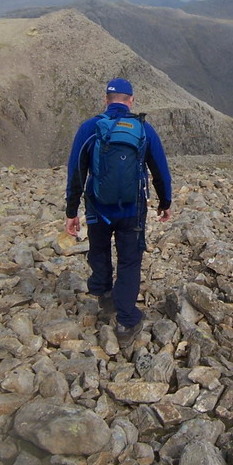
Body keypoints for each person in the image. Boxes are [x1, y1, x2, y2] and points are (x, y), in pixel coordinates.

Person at [65, 78, 172, 347]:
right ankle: (126, 320)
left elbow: (76, 171)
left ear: (106, 99)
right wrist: (164, 202)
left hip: (97, 208)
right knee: (129, 260)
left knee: (99, 249)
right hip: (132, 211)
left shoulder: (90, 128)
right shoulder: (143, 129)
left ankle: (103, 295)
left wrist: (71, 211)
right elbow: (160, 170)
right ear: (131, 100)